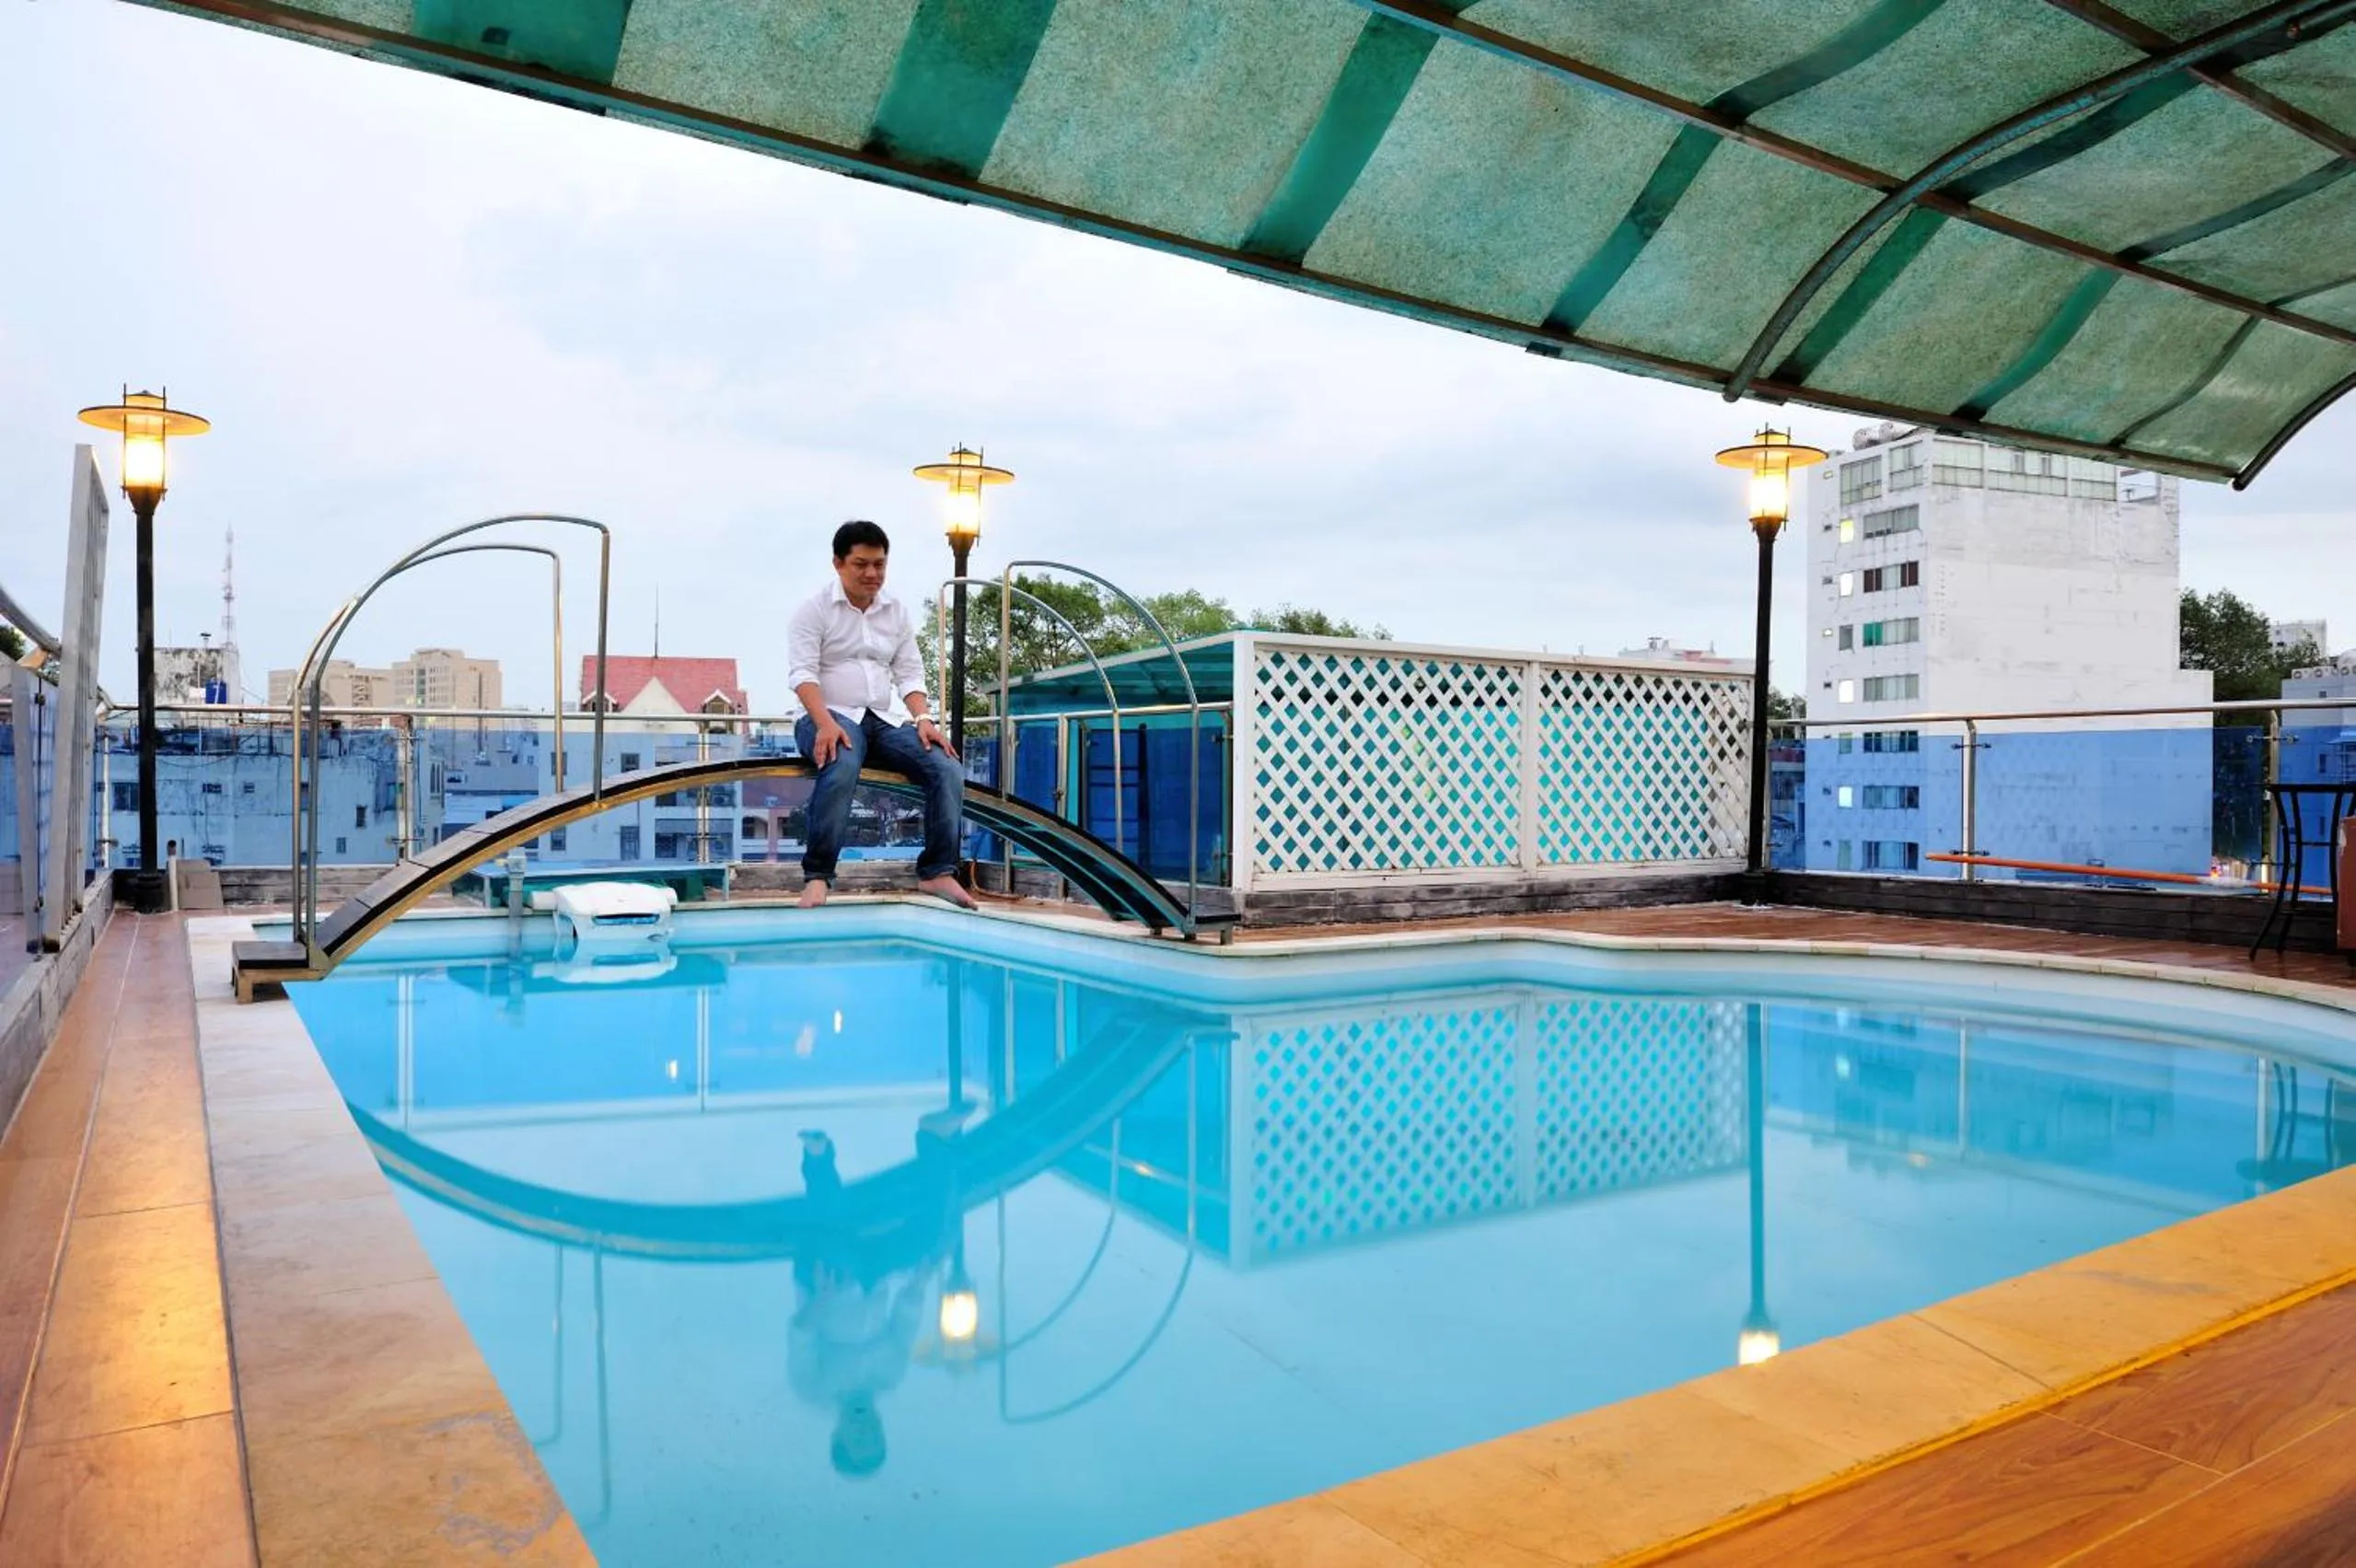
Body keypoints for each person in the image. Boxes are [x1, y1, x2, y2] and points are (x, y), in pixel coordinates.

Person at [785, 520, 973, 910]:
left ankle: (938, 872)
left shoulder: (896, 611)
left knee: (946, 766)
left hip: (882, 720)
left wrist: (924, 720)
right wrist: (825, 723)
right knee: (841, 760)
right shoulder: (813, 609)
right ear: (838, 564)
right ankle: (818, 876)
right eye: (861, 564)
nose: (872, 574)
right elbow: (802, 674)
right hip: (825, 717)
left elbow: (909, 672)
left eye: (879, 564)